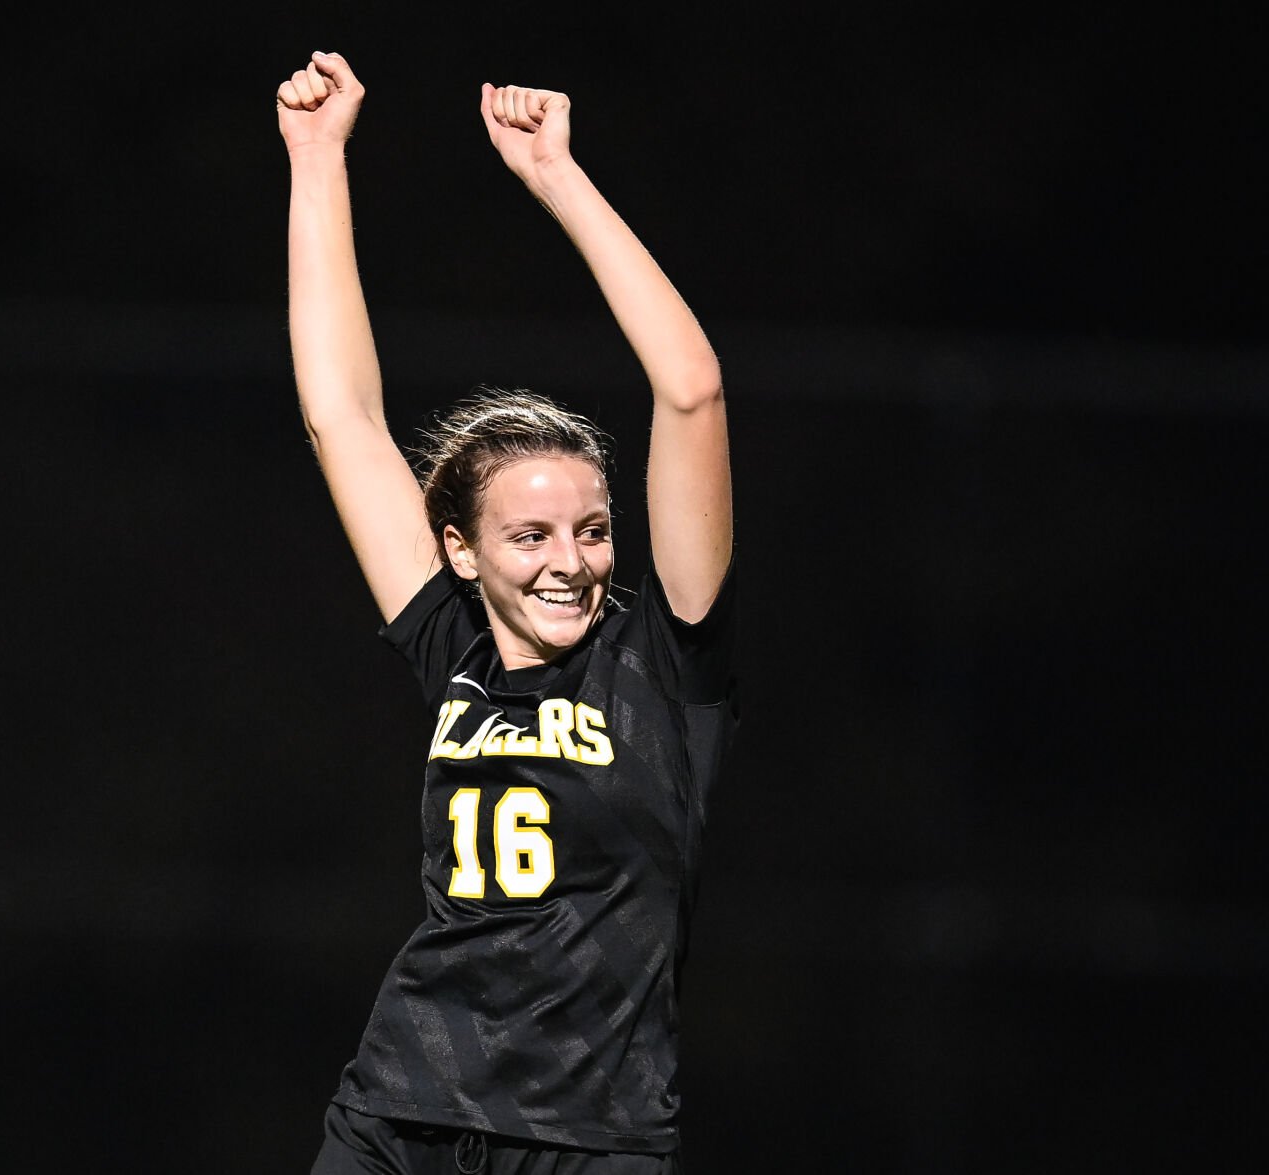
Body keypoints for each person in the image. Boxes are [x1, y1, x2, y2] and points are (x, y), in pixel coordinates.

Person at [277, 49, 736, 1174]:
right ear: (461, 550)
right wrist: (317, 159)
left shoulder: (662, 661)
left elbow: (691, 388)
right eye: (528, 535)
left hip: (587, 1140)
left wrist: (559, 179)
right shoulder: (455, 644)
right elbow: (342, 415)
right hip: (401, 1117)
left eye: (590, 528)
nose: (569, 561)